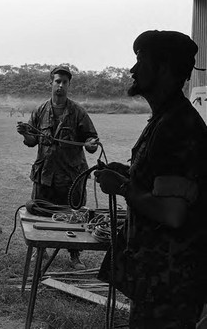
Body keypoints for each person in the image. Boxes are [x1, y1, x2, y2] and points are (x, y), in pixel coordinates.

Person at [94, 30, 207, 328]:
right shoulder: (165, 119)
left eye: (141, 60)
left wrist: (120, 186)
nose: (132, 69)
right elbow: (162, 185)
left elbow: (171, 213)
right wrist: (128, 175)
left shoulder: (178, 127)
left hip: (171, 285)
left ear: (165, 68)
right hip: (158, 280)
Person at [16, 65, 99, 270]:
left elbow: (91, 139)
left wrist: (91, 143)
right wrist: (25, 133)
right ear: (51, 83)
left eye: (64, 82)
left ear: (69, 85)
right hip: (45, 175)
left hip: (71, 176)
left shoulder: (78, 112)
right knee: (41, 212)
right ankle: (40, 250)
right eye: (57, 81)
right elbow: (31, 141)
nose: (60, 85)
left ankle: (75, 255)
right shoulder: (40, 111)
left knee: (75, 215)